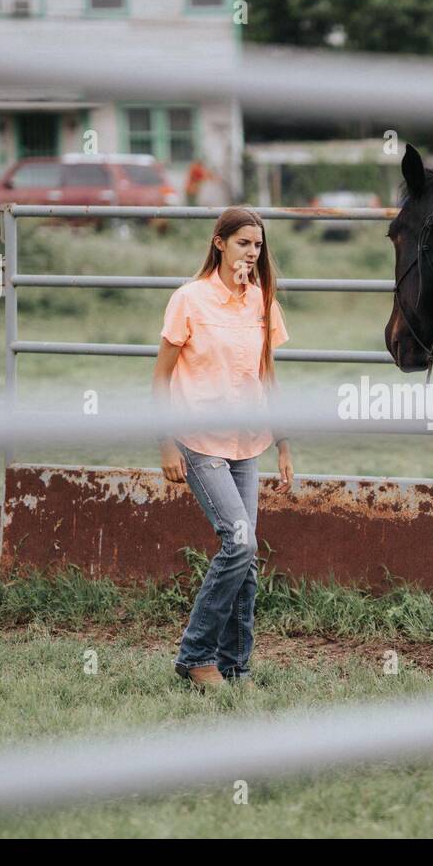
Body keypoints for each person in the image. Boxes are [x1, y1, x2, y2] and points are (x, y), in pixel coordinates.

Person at [151, 206, 292, 690]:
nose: (251, 253)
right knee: (239, 541)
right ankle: (195, 657)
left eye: (257, 245)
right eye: (242, 244)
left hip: (247, 442)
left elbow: (267, 375)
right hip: (197, 439)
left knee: (246, 556)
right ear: (219, 244)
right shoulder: (189, 300)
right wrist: (166, 444)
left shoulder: (262, 301)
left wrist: (284, 442)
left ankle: (236, 666)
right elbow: (161, 377)